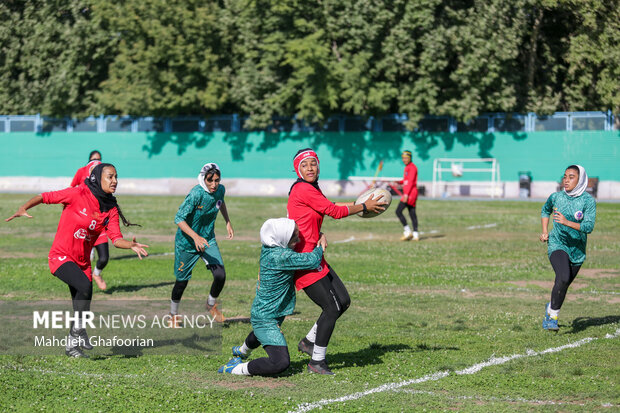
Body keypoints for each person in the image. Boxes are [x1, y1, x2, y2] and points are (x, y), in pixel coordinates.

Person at [5, 163, 149, 357]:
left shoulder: (110, 208)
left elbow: (115, 239)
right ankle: (77, 332)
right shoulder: (78, 193)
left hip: (82, 262)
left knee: (81, 304)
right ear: (97, 178)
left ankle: (72, 347)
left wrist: (130, 245)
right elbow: (45, 197)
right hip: (61, 256)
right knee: (85, 287)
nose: (115, 181)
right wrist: (23, 207)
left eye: (116, 177)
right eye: (110, 177)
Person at [287, 148, 385, 374]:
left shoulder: (312, 187)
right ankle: (316, 361)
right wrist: (363, 207)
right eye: (304, 165)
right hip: (303, 259)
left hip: (314, 255)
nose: (310, 168)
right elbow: (334, 211)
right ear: (297, 170)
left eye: (313, 163)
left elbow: (312, 213)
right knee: (331, 307)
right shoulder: (303, 188)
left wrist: (318, 231)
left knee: (343, 301)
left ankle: (309, 342)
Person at [218, 218, 326, 376]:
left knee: (260, 334)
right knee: (280, 362)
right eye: (294, 236)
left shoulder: (269, 247)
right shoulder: (280, 256)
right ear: (282, 238)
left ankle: (240, 352)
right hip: (266, 318)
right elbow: (312, 261)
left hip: (266, 313)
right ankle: (234, 369)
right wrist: (320, 245)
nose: (298, 239)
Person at [169, 163, 234, 325]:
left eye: (217, 180)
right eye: (210, 180)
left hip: (208, 239)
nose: (213, 184)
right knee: (182, 281)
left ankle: (211, 305)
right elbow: (179, 219)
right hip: (187, 243)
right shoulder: (195, 194)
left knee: (220, 275)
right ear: (203, 179)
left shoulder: (220, 190)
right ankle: (172, 315)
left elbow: (221, 202)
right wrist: (195, 237)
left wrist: (227, 221)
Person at [540, 165, 596, 331]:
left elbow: (588, 227)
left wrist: (567, 222)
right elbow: (545, 210)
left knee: (562, 284)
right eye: (565, 176)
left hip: (577, 250)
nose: (566, 180)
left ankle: (550, 308)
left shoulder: (588, 201)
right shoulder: (556, 197)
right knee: (563, 277)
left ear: (581, 180)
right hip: (557, 243)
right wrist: (544, 232)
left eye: (571, 177)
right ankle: (552, 319)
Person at [71, 150, 108, 290]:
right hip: (84, 223)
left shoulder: (104, 174)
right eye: (93, 160)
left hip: (99, 223)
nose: (95, 162)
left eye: (98, 159)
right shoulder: (81, 172)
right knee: (81, 262)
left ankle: (97, 274)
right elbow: (72, 189)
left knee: (104, 258)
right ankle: (82, 287)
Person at [395, 150, 419, 241]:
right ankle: (415, 234)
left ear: (410, 158)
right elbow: (406, 180)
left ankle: (407, 231)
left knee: (398, 211)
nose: (404, 160)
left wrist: (406, 194)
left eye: (406, 158)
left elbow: (411, 182)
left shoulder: (412, 167)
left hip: (410, 194)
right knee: (412, 213)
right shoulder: (407, 167)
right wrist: (399, 182)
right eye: (403, 158)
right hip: (410, 193)